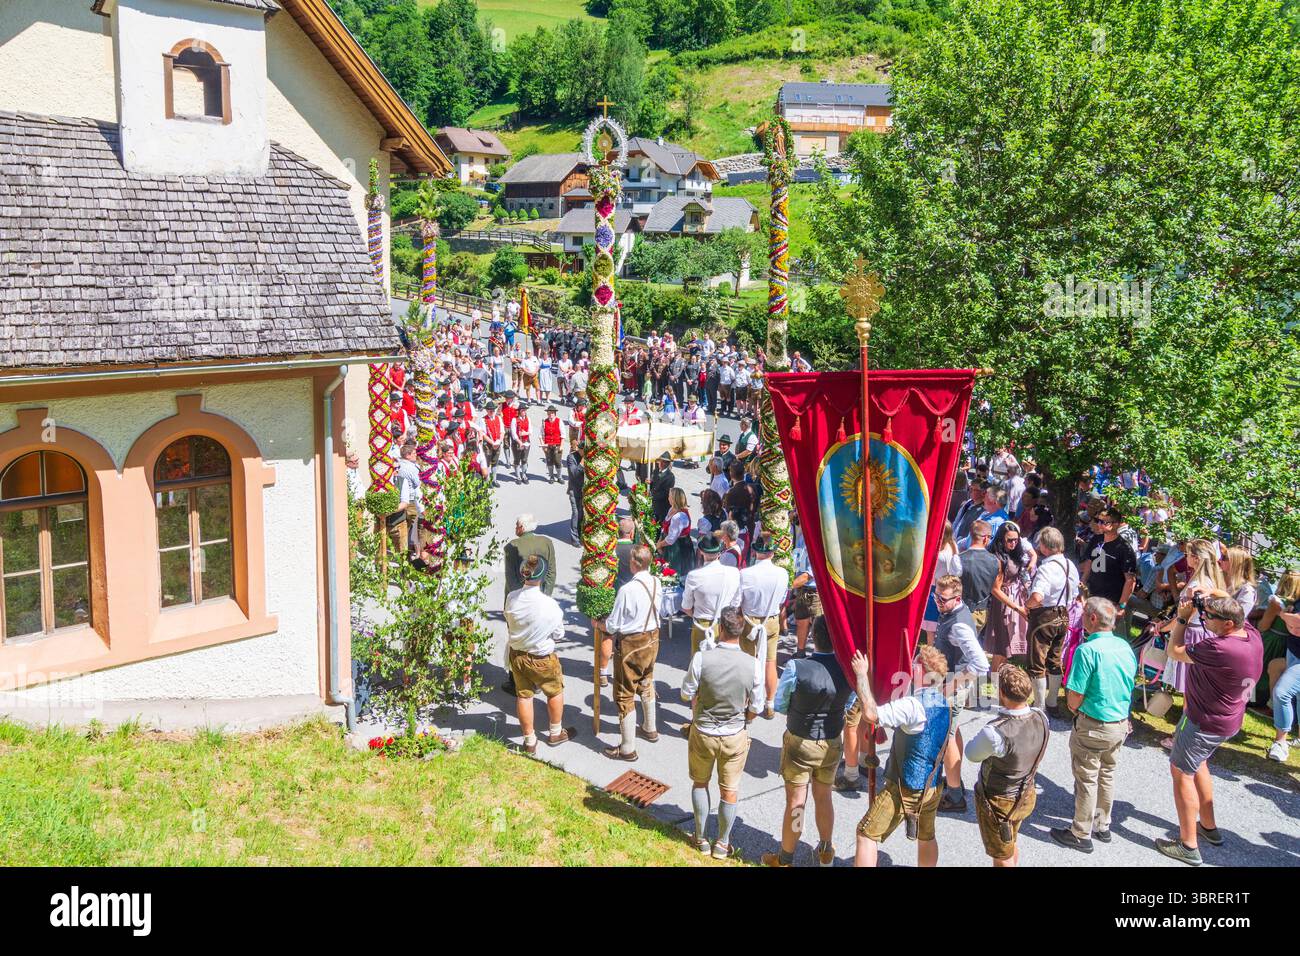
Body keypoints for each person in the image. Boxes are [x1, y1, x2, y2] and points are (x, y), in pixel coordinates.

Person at [1157, 594, 1262, 865]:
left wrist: (1182, 618)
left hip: (1203, 722)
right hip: (1227, 720)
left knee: (1181, 773)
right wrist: (1211, 596)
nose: (1204, 618)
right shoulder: (1250, 635)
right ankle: (1209, 826)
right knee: (1199, 763)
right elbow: (1231, 606)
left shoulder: (1220, 648)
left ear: (1228, 623)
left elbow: (1175, 651)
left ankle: (1188, 845)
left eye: (1209, 617)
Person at [850, 644, 956, 867]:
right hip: (933, 785)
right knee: (927, 837)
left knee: (866, 834)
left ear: (920, 670)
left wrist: (861, 675)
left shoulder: (912, 705)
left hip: (905, 787)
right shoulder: (945, 703)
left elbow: (870, 713)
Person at [1049, 597, 1136, 853]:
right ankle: (1102, 824)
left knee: (1087, 778)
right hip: (1119, 722)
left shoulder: (1087, 650)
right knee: (1107, 774)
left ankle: (1080, 831)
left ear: (1093, 618)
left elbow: (1074, 694)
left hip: (1094, 723)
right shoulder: (1124, 646)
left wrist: (1075, 709)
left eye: (1085, 614)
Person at [763, 617, 851, 867]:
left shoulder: (796, 667)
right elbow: (851, 701)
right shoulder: (846, 668)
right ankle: (825, 850)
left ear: (813, 635)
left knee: (796, 801)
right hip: (832, 740)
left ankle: (786, 857)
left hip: (800, 741)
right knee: (824, 796)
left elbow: (779, 704)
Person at [681, 607, 764, 859]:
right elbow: (757, 707)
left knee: (700, 782)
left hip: (704, 729)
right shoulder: (753, 665)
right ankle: (722, 843)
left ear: (720, 628)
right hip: (734, 734)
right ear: (741, 631)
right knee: (729, 790)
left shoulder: (701, 658)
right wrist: (744, 718)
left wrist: (697, 703)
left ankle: (700, 836)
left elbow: (686, 693)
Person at [965, 664, 1049, 867]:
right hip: (1026, 792)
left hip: (999, 800)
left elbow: (971, 754)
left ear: (1002, 693)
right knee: (1010, 841)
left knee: (1002, 856)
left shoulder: (995, 732)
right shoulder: (1041, 717)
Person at [504, 555, 575, 754]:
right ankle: (555, 732)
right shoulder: (549, 605)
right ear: (542, 577)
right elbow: (559, 634)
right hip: (542, 657)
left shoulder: (512, 597)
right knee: (554, 691)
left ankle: (529, 740)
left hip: (517, 654)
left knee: (524, 696)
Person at [931, 574, 990, 811]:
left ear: (957, 598)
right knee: (953, 733)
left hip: (952, 686)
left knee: (946, 738)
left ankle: (955, 796)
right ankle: (955, 781)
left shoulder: (959, 624)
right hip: (952, 684)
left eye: (943, 599)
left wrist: (951, 686)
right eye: (936, 597)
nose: (938, 602)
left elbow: (981, 664)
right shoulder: (953, 614)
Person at [602, 544, 663, 761]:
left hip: (632, 643)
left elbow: (614, 624)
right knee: (646, 680)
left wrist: (601, 624)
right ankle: (650, 727)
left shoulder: (627, 590)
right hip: (652, 638)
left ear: (635, 564)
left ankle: (628, 748)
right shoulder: (657, 582)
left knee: (624, 692)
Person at [1024, 527, 1080, 715]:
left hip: (1044, 616)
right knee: (1055, 660)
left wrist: (1027, 605)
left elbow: (1038, 597)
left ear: (1045, 547)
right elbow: (1075, 593)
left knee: (1036, 661)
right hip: (1064, 614)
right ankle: (1052, 702)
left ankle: (1039, 706)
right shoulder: (1070, 565)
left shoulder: (1046, 568)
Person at [739, 535, 789, 719]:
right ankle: (769, 704)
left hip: (750, 620)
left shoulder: (745, 574)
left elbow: (738, 601)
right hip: (771, 619)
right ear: (773, 552)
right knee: (770, 661)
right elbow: (783, 599)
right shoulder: (782, 573)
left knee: (748, 663)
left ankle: (748, 703)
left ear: (755, 551)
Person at [680, 535, 742, 663]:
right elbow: (736, 603)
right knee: (722, 666)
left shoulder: (694, 576)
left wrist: (697, 616)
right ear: (720, 552)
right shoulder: (734, 572)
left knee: (699, 665)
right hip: (726, 624)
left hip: (702, 624)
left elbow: (686, 607)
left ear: (701, 552)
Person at [986, 521, 1037, 673]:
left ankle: (1000, 673)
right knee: (1002, 642)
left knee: (1008, 640)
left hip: (1016, 598)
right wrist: (1017, 607)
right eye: (1010, 540)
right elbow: (995, 589)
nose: (1014, 543)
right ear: (1001, 539)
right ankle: (994, 675)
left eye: (1016, 539)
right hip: (1003, 602)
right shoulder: (998, 559)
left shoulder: (1014, 553)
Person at [1080, 507, 1138, 611]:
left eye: (1103, 522)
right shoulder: (1096, 539)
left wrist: (1121, 606)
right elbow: (1089, 562)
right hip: (1092, 596)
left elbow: (1130, 580)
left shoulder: (1124, 549)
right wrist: (1082, 583)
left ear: (1115, 524)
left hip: (1110, 602)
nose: (1099, 524)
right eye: (1098, 521)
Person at [921, 521, 962, 644]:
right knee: (936, 630)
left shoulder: (937, 551)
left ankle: (932, 658)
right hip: (942, 590)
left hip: (937, 590)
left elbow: (957, 571)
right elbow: (958, 571)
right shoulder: (952, 545)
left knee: (933, 631)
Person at [958, 520, 999, 635]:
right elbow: (995, 588)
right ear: (986, 538)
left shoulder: (958, 559)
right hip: (981, 612)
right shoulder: (995, 561)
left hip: (958, 611)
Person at [656, 487, 695, 580]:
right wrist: (660, 540)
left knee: (676, 573)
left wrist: (659, 545)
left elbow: (671, 539)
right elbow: (664, 528)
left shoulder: (679, 516)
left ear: (674, 499)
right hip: (669, 543)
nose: (668, 498)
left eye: (669, 496)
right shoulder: (672, 509)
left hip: (678, 547)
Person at [393, 441, 423, 559]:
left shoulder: (398, 464)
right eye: (414, 453)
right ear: (408, 455)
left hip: (400, 498)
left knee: (405, 526)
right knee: (413, 527)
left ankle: (405, 550)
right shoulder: (411, 468)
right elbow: (418, 483)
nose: (416, 455)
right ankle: (412, 552)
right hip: (411, 501)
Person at [480, 400, 504, 486]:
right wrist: (492, 443)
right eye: (490, 410)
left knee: (495, 461)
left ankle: (494, 479)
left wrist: (499, 441)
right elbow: (483, 434)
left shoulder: (498, 418)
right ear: (487, 411)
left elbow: (502, 432)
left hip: (497, 443)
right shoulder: (483, 420)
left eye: (493, 410)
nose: (492, 412)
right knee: (487, 462)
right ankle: (487, 480)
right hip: (488, 445)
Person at [564, 445, 584, 548]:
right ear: (580, 449)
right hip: (574, 490)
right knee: (576, 513)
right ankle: (574, 538)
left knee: (582, 514)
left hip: (585, 490)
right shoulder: (571, 457)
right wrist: (582, 463)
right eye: (583, 451)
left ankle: (580, 534)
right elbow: (574, 474)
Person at [649, 452, 675, 524]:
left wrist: (652, 496)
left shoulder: (670, 477)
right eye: (660, 461)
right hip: (654, 503)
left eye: (662, 461)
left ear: (666, 463)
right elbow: (653, 485)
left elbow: (665, 493)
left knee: (659, 525)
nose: (659, 463)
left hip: (662, 506)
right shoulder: (656, 471)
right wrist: (649, 483)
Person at [509, 401, 532, 484]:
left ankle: (524, 475)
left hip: (526, 441)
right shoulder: (514, 420)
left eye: (525, 410)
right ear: (519, 411)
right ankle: (518, 476)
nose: (524, 412)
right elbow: (514, 434)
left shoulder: (528, 419)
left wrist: (523, 433)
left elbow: (530, 431)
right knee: (517, 459)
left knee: (525, 459)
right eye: (522, 410)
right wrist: (519, 442)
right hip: (517, 442)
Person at [541, 405, 564, 483]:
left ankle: (559, 477)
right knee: (549, 461)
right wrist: (543, 446)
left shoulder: (559, 421)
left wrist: (561, 445)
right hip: (548, 445)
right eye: (549, 412)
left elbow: (563, 435)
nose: (551, 414)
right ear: (547, 413)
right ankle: (551, 476)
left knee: (558, 461)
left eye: (552, 413)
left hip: (557, 445)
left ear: (555, 413)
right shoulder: (544, 422)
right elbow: (541, 435)